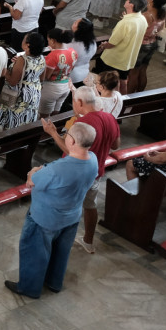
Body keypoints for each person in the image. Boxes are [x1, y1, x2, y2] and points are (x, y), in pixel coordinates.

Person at [5, 122, 98, 299]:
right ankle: (54, 282)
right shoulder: (93, 160)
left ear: (72, 142)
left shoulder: (58, 169)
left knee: (35, 252)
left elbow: (33, 181)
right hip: (71, 217)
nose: (66, 137)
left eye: (67, 135)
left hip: (45, 218)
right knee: (60, 252)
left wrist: (33, 171)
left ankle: (29, 288)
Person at [40, 86, 120, 255]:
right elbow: (115, 145)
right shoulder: (110, 118)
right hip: (95, 172)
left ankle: (53, 241)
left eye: (74, 101)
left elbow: (71, 151)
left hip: (73, 173)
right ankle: (88, 242)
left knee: (62, 207)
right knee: (90, 205)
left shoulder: (83, 124)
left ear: (80, 102)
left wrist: (53, 133)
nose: (73, 105)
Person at [96, 0, 149, 93]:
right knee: (123, 81)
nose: (125, 0)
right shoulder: (142, 19)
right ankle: (123, 101)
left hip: (115, 59)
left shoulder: (125, 23)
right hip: (127, 58)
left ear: (131, 5)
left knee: (107, 82)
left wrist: (103, 45)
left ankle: (106, 99)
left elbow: (112, 43)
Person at [0, 32, 47, 131]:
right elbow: (42, 78)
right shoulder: (41, 57)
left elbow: (12, 81)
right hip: (33, 94)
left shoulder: (22, 60)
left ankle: (8, 143)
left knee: (12, 123)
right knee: (27, 121)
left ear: (27, 45)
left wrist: (5, 71)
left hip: (18, 96)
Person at [41, 28, 79, 116]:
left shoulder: (53, 55)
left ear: (53, 41)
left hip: (52, 88)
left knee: (44, 116)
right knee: (56, 111)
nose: (48, 43)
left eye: (48, 40)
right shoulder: (73, 52)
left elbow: (46, 76)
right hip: (66, 85)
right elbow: (69, 68)